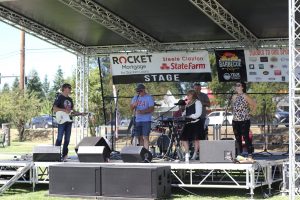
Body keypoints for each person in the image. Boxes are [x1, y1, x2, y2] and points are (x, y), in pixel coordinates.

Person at [231, 82, 256, 157]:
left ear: (242, 87)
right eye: (236, 85)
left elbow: (254, 105)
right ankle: (239, 153)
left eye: (238, 85)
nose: (237, 87)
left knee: (245, 136)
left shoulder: (245, 96)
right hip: (235, 120)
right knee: (237, 137)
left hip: (244, 120)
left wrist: (250, 113)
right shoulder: (234, 96)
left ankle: (250, 153)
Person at [53, 83, 77, 161]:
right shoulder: (59, 97)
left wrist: (79, 113)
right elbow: (54, 108)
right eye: (69, 88)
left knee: (67, 139)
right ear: (64, 89)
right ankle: (56, 155)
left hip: (69, 121)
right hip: (62, 120)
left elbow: (71, 111)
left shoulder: (70, 99)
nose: (70, 89)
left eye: (70, 88)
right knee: (59, 138)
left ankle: (64, 155)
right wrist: (64, 110)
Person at [180, 90, 203, 162]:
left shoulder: (197, 102)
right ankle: (187, 153)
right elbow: (185, 112)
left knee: (196, 139)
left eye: (188, 95)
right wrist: (183, 114)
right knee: (183, 138)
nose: (187, 96)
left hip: (196, 123)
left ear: (192, 95)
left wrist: (190, 116)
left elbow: (198, 114)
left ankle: (195, 154)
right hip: (188, 123)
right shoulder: (188, 103)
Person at [130, 84, 154, 150]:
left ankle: (146, 152)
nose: (138, 92)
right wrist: (133, 105)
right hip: (138, 120)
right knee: (139, 137)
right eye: (137, 91)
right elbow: (131, 108)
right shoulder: (135, 97)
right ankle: (141, 153)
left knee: (145, 137)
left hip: (146, 120)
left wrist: (142, 111)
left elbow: (152, 108)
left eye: (139, 91)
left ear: (143, 90)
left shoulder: (149, 97)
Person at [193, 82, 210, 155]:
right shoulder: (192, 95)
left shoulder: (204, 95)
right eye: (195, 88)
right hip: (193, 118)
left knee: (202, 135)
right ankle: (194, 151)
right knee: (194, 135)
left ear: (200, 88)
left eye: (198, 88)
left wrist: (201, 102)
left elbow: (209, 104)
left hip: (202, 117)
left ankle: (203, 151)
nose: (196, 89)